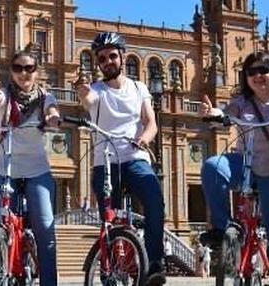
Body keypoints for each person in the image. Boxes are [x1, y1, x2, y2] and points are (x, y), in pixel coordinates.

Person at [199, 51, 269, 285]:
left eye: (263, 70)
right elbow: (225, 112)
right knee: (212, 167)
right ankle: (223, 229)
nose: (258, 76)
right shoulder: (243, 102)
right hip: (244, 164)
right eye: (252, 72)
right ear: (246, 77)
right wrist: (214, 114)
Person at [75, 31, 165, 285]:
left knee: (155, 203)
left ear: (122, 57)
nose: (108, 61)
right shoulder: (96, 90)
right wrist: (82, 92)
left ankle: (155, 265)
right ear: (98, 63)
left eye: (112, 56)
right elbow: (88, 99)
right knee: (109, 219)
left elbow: (151, 123)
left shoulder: (139, 88)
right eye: (102, 58)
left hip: (135, 157)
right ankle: (109, 270)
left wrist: (145, 139)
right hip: (105, 162)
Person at [0, 50, 60, 286]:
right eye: (18, 68)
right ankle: (0, 277)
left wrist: (52, 120)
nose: (23, 73)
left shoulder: (46, 97)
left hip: (37, 170)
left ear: (36, 72)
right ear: (11, 72)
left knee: (46, 231)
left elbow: (53, 112)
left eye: (29, 68)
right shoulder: (6, 96)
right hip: (4, 168)